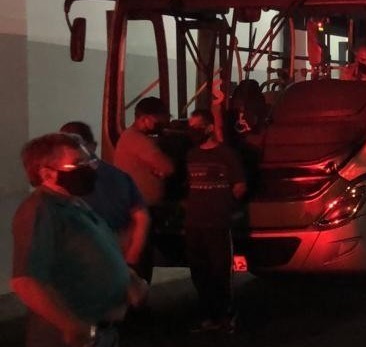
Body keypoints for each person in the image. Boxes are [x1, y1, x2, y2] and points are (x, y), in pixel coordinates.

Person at [11, 132, 148, 347]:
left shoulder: (74, 206)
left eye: (91, 159)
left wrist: (126, 279)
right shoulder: (41, 212)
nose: (92, 167)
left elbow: (97, 254)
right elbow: (25, 281)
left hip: (100, 337)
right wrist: (71, 325)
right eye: (80, 163)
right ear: (47, 173)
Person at [185, 107, 246, 332]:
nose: (193, 131)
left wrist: (223, 203)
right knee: (199, 272)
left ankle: (226, 316)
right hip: (194, 222)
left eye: (197, 127)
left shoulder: (226, 155)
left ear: (210, 127)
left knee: (220, 271)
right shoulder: (191, 155)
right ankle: (207, 316)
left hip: (218, 222)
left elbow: (240, 186)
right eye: (191, 127)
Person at [59, 121, 149, 269]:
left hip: (88, 260)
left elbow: (141, 216)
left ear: (91, 146)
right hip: (114, 255)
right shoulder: (119, 176)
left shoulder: (65, 182)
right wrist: (133, 254)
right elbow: (141, 217)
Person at [114, 96, 174, 282]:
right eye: (158, 121)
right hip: (140, 209)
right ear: (145, 118)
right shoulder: (138, 140)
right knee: (140, 260)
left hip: (139, 206)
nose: (161, 125)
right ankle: (137, 302)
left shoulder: (132, 138)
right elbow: (167, 167)